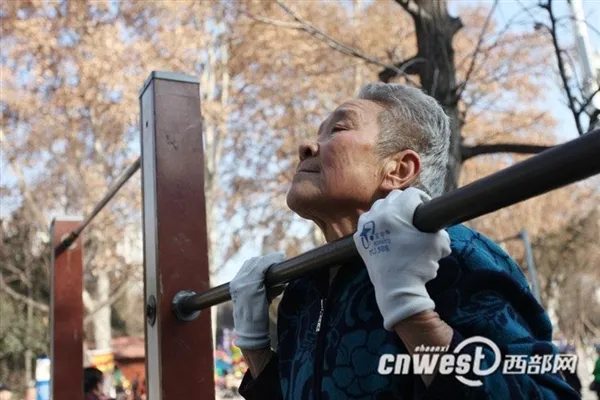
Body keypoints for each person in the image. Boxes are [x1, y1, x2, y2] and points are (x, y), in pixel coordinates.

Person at [229, 83, 580, 399]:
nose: (306, 146)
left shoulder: (455, 250)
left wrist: (413, 312)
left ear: (398, 170)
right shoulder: (304, 285)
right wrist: (255, 348)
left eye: (338, 128)